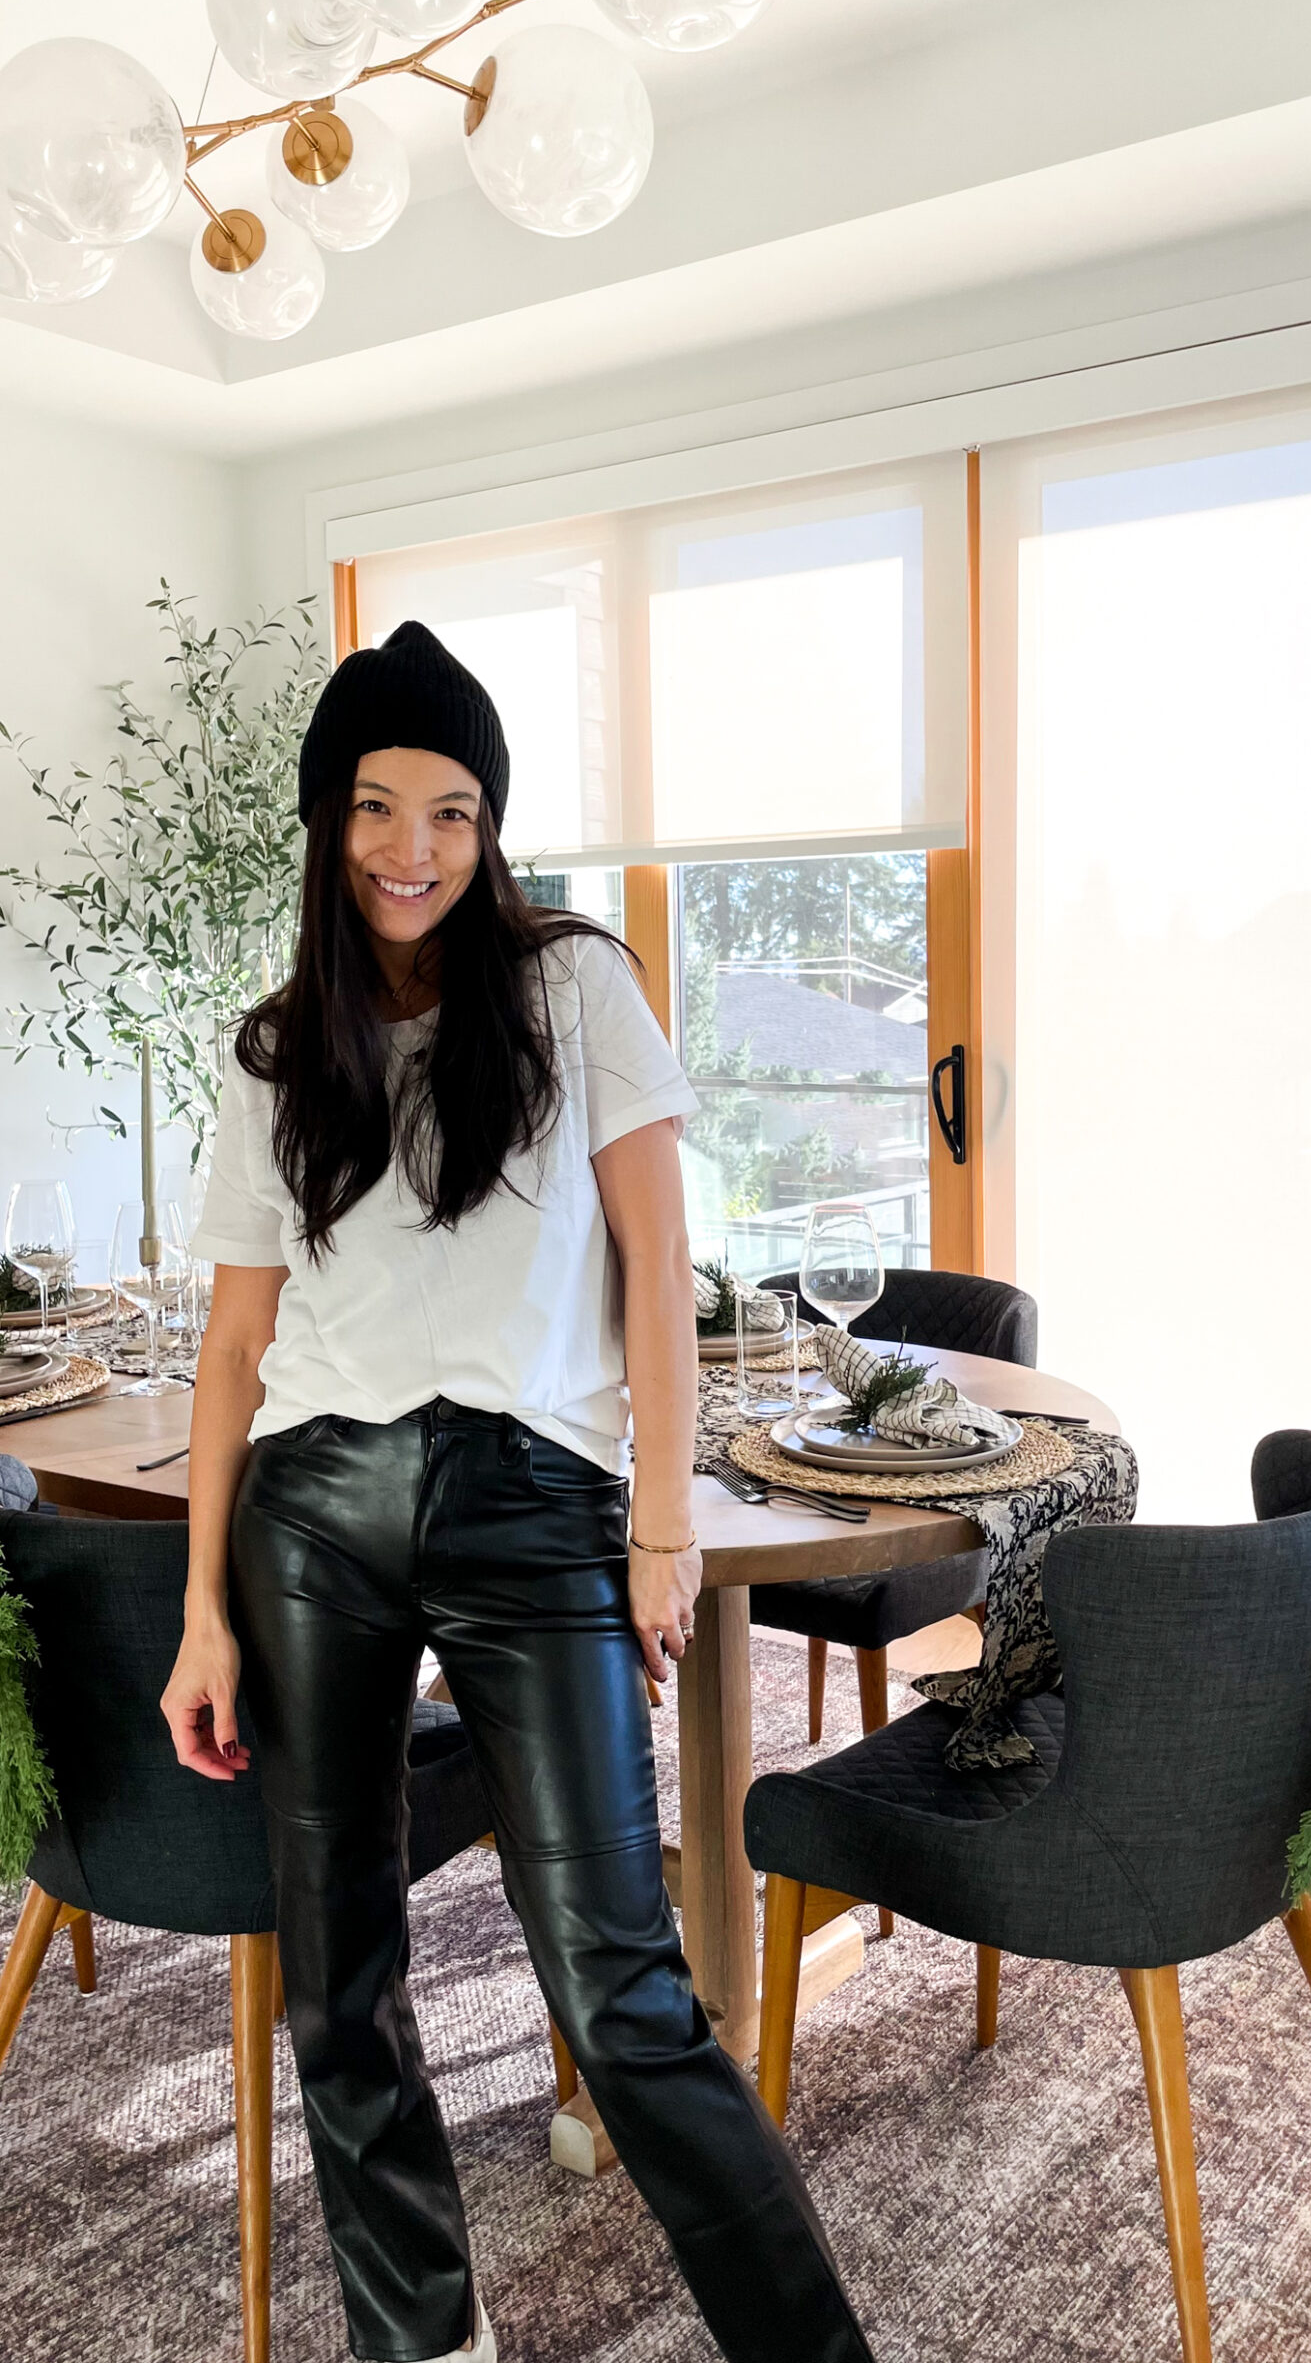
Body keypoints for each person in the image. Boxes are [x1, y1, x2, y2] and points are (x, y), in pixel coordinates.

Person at [161, 620, 876, 2363]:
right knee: (340, 1986)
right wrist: (200, 1609)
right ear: (331, 824)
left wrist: (662, 1522)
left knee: (621, 1991)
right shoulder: (279, 1053)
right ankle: (428, 2343)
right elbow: (236, 1355)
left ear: (494, 827)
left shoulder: (574, 986)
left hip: (535, 1499)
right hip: (311, 1515)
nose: (417, 849)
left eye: (457, 810)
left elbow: (657, 1270)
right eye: (383, 807)